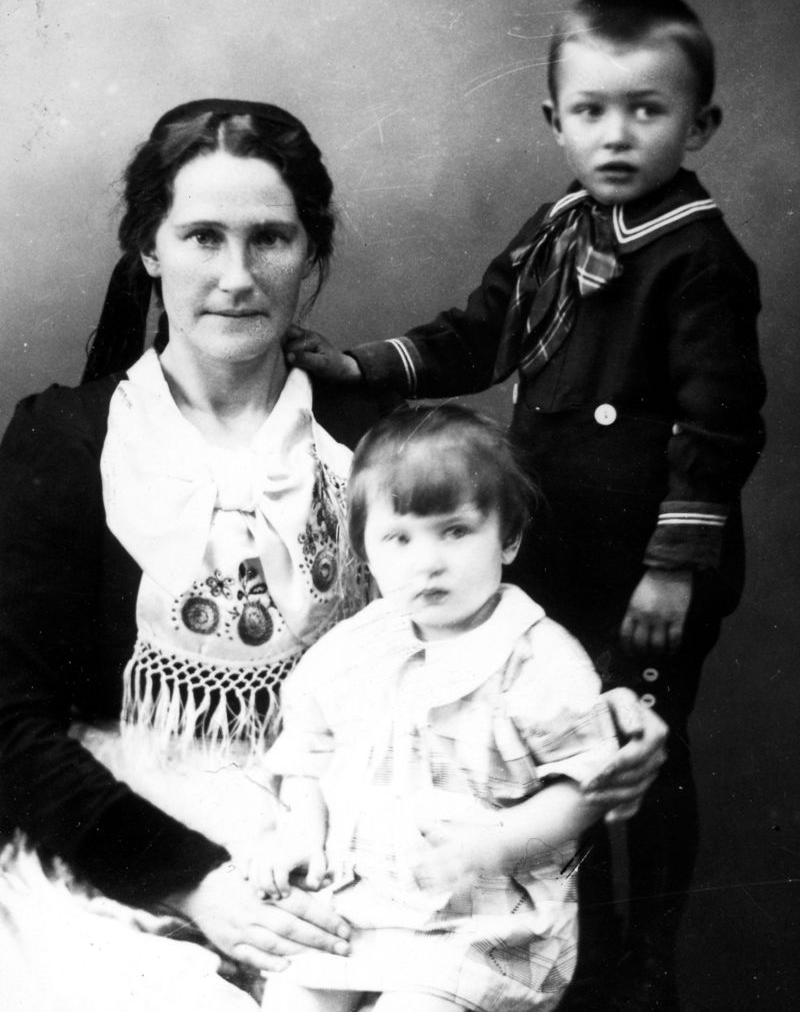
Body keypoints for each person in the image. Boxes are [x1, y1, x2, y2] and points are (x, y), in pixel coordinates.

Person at [0, 98, 665, 1011]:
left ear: (310, 251)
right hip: (123, 853)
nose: (237, 277)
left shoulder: (372, 438)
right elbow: (9, 724)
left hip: (353, 833)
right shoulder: (69, 442)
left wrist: (611, 706)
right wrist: (192, 885)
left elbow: (498, 613)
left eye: (270, 239)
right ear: (149, 248)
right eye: (202, 237)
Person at [284, 0, 767, 1012]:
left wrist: (671, 567)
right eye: (591, 110)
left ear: (699, 125)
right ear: (555, 121)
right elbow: (478, 333)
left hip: (646, 565)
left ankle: (647, 960)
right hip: (548, 544)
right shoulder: (557, 226)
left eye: (647, 110)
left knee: (634, 753)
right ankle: (576, 946)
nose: (616, 134)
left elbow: (722, 426)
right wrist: (362, 364)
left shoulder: (699, 257)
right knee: (550, 748)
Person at [249, 403, 618, 1012]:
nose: (428, 561)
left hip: (480, 925)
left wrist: (497, 842)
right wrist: (302, 831)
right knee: (290, 999)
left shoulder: (535, 658)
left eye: (455, 531)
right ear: (366, 551)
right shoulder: (352, 649)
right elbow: (307, 755)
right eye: (399, 538)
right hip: (357, 906)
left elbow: (586, 786)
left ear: (509, 538)